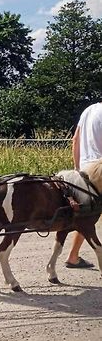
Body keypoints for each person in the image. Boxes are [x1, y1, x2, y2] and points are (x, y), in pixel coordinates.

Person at [65, 103, 100, 269]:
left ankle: (73, 256)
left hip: (84, 171)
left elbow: (75, 140)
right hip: (99, 171)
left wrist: (77, 170)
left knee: (87, 215)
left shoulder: (89, 110)